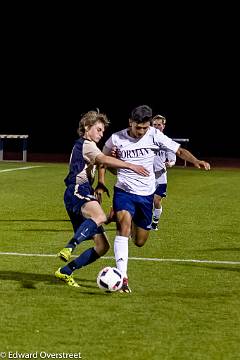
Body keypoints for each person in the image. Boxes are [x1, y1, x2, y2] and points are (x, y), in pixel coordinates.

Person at [96, 105, 210, 293]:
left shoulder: (154, 135)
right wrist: (101, 182)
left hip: (146, 195)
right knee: (123, 226)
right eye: (138, 127)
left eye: (145, 127)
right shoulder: (116, 138)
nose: (141, 131)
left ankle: (130, 225)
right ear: (130, 122)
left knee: (140, 241)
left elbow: (179, 150)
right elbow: (102, 159)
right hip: (123, 190)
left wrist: (196, 161)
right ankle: (123, 277)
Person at [55, 110, 149, 288]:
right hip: (77, 189)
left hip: (81, 191)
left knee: (102, 246)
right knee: (100, 217)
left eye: (103, 130)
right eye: (98, 129)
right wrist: (130, 165)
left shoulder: (87, 145)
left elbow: (102, 161)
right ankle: (70, 247)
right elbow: (102, 159)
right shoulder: (86, 144)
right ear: (86, 127)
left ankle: (65, 271)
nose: (101, 133)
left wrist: (101, 181)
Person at [151, 114, 176, 231]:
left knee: (156, 200)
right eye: (154, 124)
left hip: (160, 176)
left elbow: (172, 160)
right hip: (146, 176)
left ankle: (155, 222)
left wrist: (169, 164)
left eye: (159, 125)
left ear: (163, 126)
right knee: (144, 202)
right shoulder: (145, 139)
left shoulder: (167, 142)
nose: (156, 127)